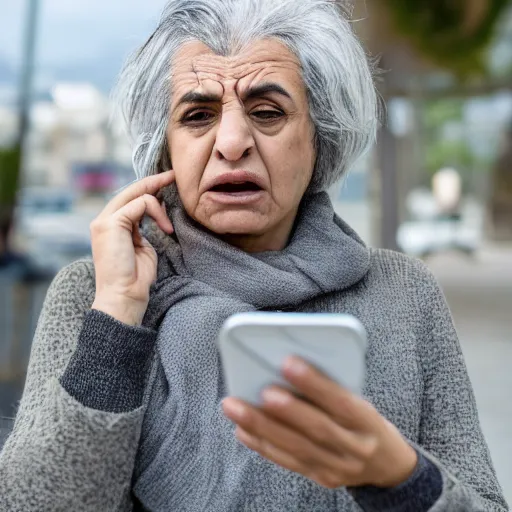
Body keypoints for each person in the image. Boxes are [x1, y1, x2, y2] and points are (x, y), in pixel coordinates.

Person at [0, 1, 508, 510]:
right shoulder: (95, 292)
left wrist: (399, 477)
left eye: (267, 113)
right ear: (165, 148)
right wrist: (117, 316)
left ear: (320, 138)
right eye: (197, 116)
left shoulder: (404, 292)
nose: (232, 142)